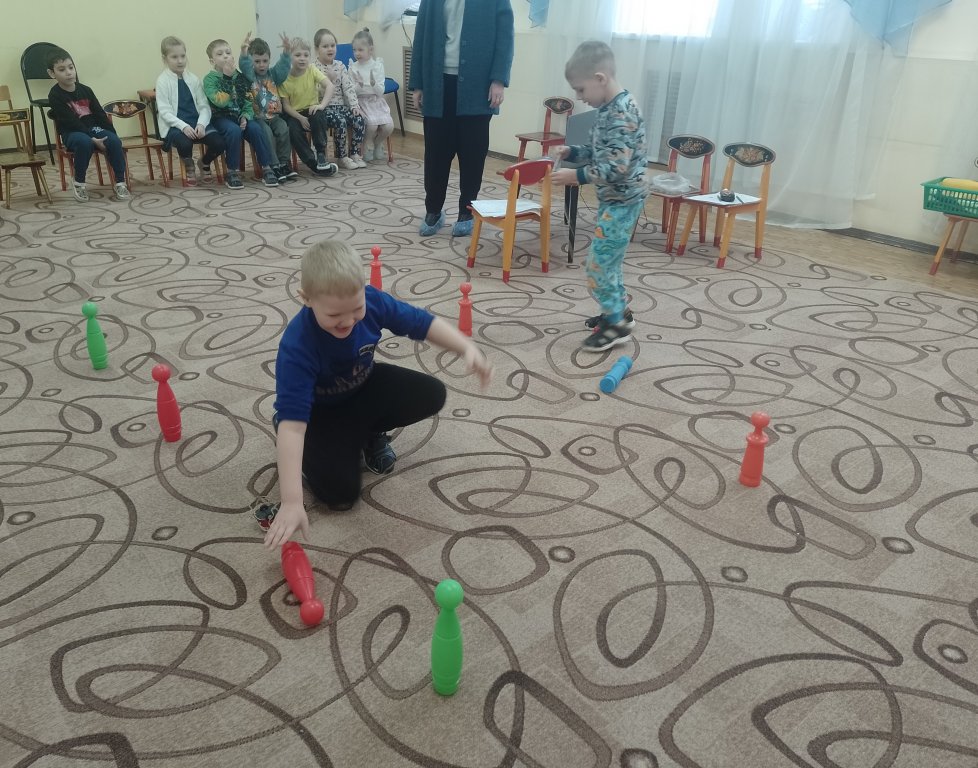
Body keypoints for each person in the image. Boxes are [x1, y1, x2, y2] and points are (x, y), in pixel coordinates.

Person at [262, 239, 492, 549]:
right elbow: (294, 427)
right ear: (307, 299)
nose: (348, 321)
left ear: (364, 291)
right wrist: (291, 501)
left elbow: (421, 323)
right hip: (317, 413)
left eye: (356, 309)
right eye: (334, 315)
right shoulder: (297, 346)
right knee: (339, 496)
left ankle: (367, 433)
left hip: (363, 387)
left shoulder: (372, 301)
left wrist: (466, 347)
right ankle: (324, 441)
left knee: (431, 393)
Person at [551, 41, 647, 352]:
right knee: (610, 261)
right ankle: (617, 312)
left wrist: (576, 177)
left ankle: (616, 324)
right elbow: (599, 151)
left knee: (598, 264)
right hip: (616, 199)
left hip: (623, 201)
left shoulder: (621, 113)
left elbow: (616, 167)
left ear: (600, 78)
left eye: (581, 89)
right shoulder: (608, 109)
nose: (579, 97)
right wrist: (573, 152)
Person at [409, 0, 514, 237]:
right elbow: (421, 33)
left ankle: (467, 211)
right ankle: (433, 210)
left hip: (478, 85)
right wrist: (418, 83)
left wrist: (499, 79)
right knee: (436, 153)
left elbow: (505, 37)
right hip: (437, 82)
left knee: (473, 154)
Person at [46, 49, 130, 202]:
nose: (69, 72)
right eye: (62, 69)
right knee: (84, 142)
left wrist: (112, 134)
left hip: (93, 128)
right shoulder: (54, 95)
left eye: (71, 67)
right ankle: (79, 182)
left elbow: (100, 115)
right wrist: (92, 139)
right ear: (52, 73)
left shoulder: (86, 90)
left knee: (114, 141)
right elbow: (70, 121)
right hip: (72, 132)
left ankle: (120, 182)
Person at [202, 38, 280, 189]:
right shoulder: (209, 80)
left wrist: (245, 115)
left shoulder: (239, 77)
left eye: (228, 52)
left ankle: (266, 167)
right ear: (212, 61)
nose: (225, 56)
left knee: (256, 128)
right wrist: (226, 78)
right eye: (220, 54)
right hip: (221, 117)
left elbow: (248, 100)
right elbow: (220, 101)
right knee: (233, 130)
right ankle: (232, 171)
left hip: (239, 116)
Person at [155, 36, 227, 187]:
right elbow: (165, 112)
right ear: (165, 59)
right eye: (174, 57)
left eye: (183, 56)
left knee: (219, 143)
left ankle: (204, 162)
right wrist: (183, 127)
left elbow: (204, 106)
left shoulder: (193, 79)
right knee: (184, 143)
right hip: (175, 126)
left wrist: (201, 124)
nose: (180, 61)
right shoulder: (162, 81)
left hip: (196, 121)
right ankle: (189, 165)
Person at [238, 32, 297, 181]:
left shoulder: (273, 74)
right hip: (258, 118)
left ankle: (284, 163)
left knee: (283, 129)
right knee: (267, 134)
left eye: (265, 60)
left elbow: (283, 68)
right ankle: (273, 165)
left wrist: (286, 52)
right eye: (257, 61)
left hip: (274, 116)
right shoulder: (251, 75)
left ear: (269, 59)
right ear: (252, 61)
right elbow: (244, 66)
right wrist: (244, 52)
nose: (261, 64)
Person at [279, 38, 339, 177]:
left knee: (319, 116)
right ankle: (312, 162)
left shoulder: (311, 69)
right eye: (298, 55)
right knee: (292, 129)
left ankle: (321, 154)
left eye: (306, 55)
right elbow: (286, 106)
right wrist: (300, 118)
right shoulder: (284, 78)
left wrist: (321, 105)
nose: (302, 58)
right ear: (290, 57)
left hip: (311, 109)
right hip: (294, 113)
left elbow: (330, 86)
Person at [313, 28, 367, 170]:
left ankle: (354, 153)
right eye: (325, 46)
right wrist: (329, 80)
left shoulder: (340, 65)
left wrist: (354, 106)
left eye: (332, 45)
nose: (330, 49)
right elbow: (313, 92)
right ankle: (342, 157)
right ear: (317, 49)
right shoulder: (313, 68)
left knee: (359, 119)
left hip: (341, 106)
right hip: (324, 108)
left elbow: (348, 87)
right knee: (340, 121)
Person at [348, 28, 394, 163]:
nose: (357, 53)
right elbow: (350, 92)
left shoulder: (377, 66)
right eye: (354, 50)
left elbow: (380, 91)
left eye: (360, 50)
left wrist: (374, 84)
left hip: (376, 100)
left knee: (389, 126)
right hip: (361, 102)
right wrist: (359, 85)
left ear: (371, 50)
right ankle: (367, 144)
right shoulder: (353, 67)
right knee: (372, 125)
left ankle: (377, 142)